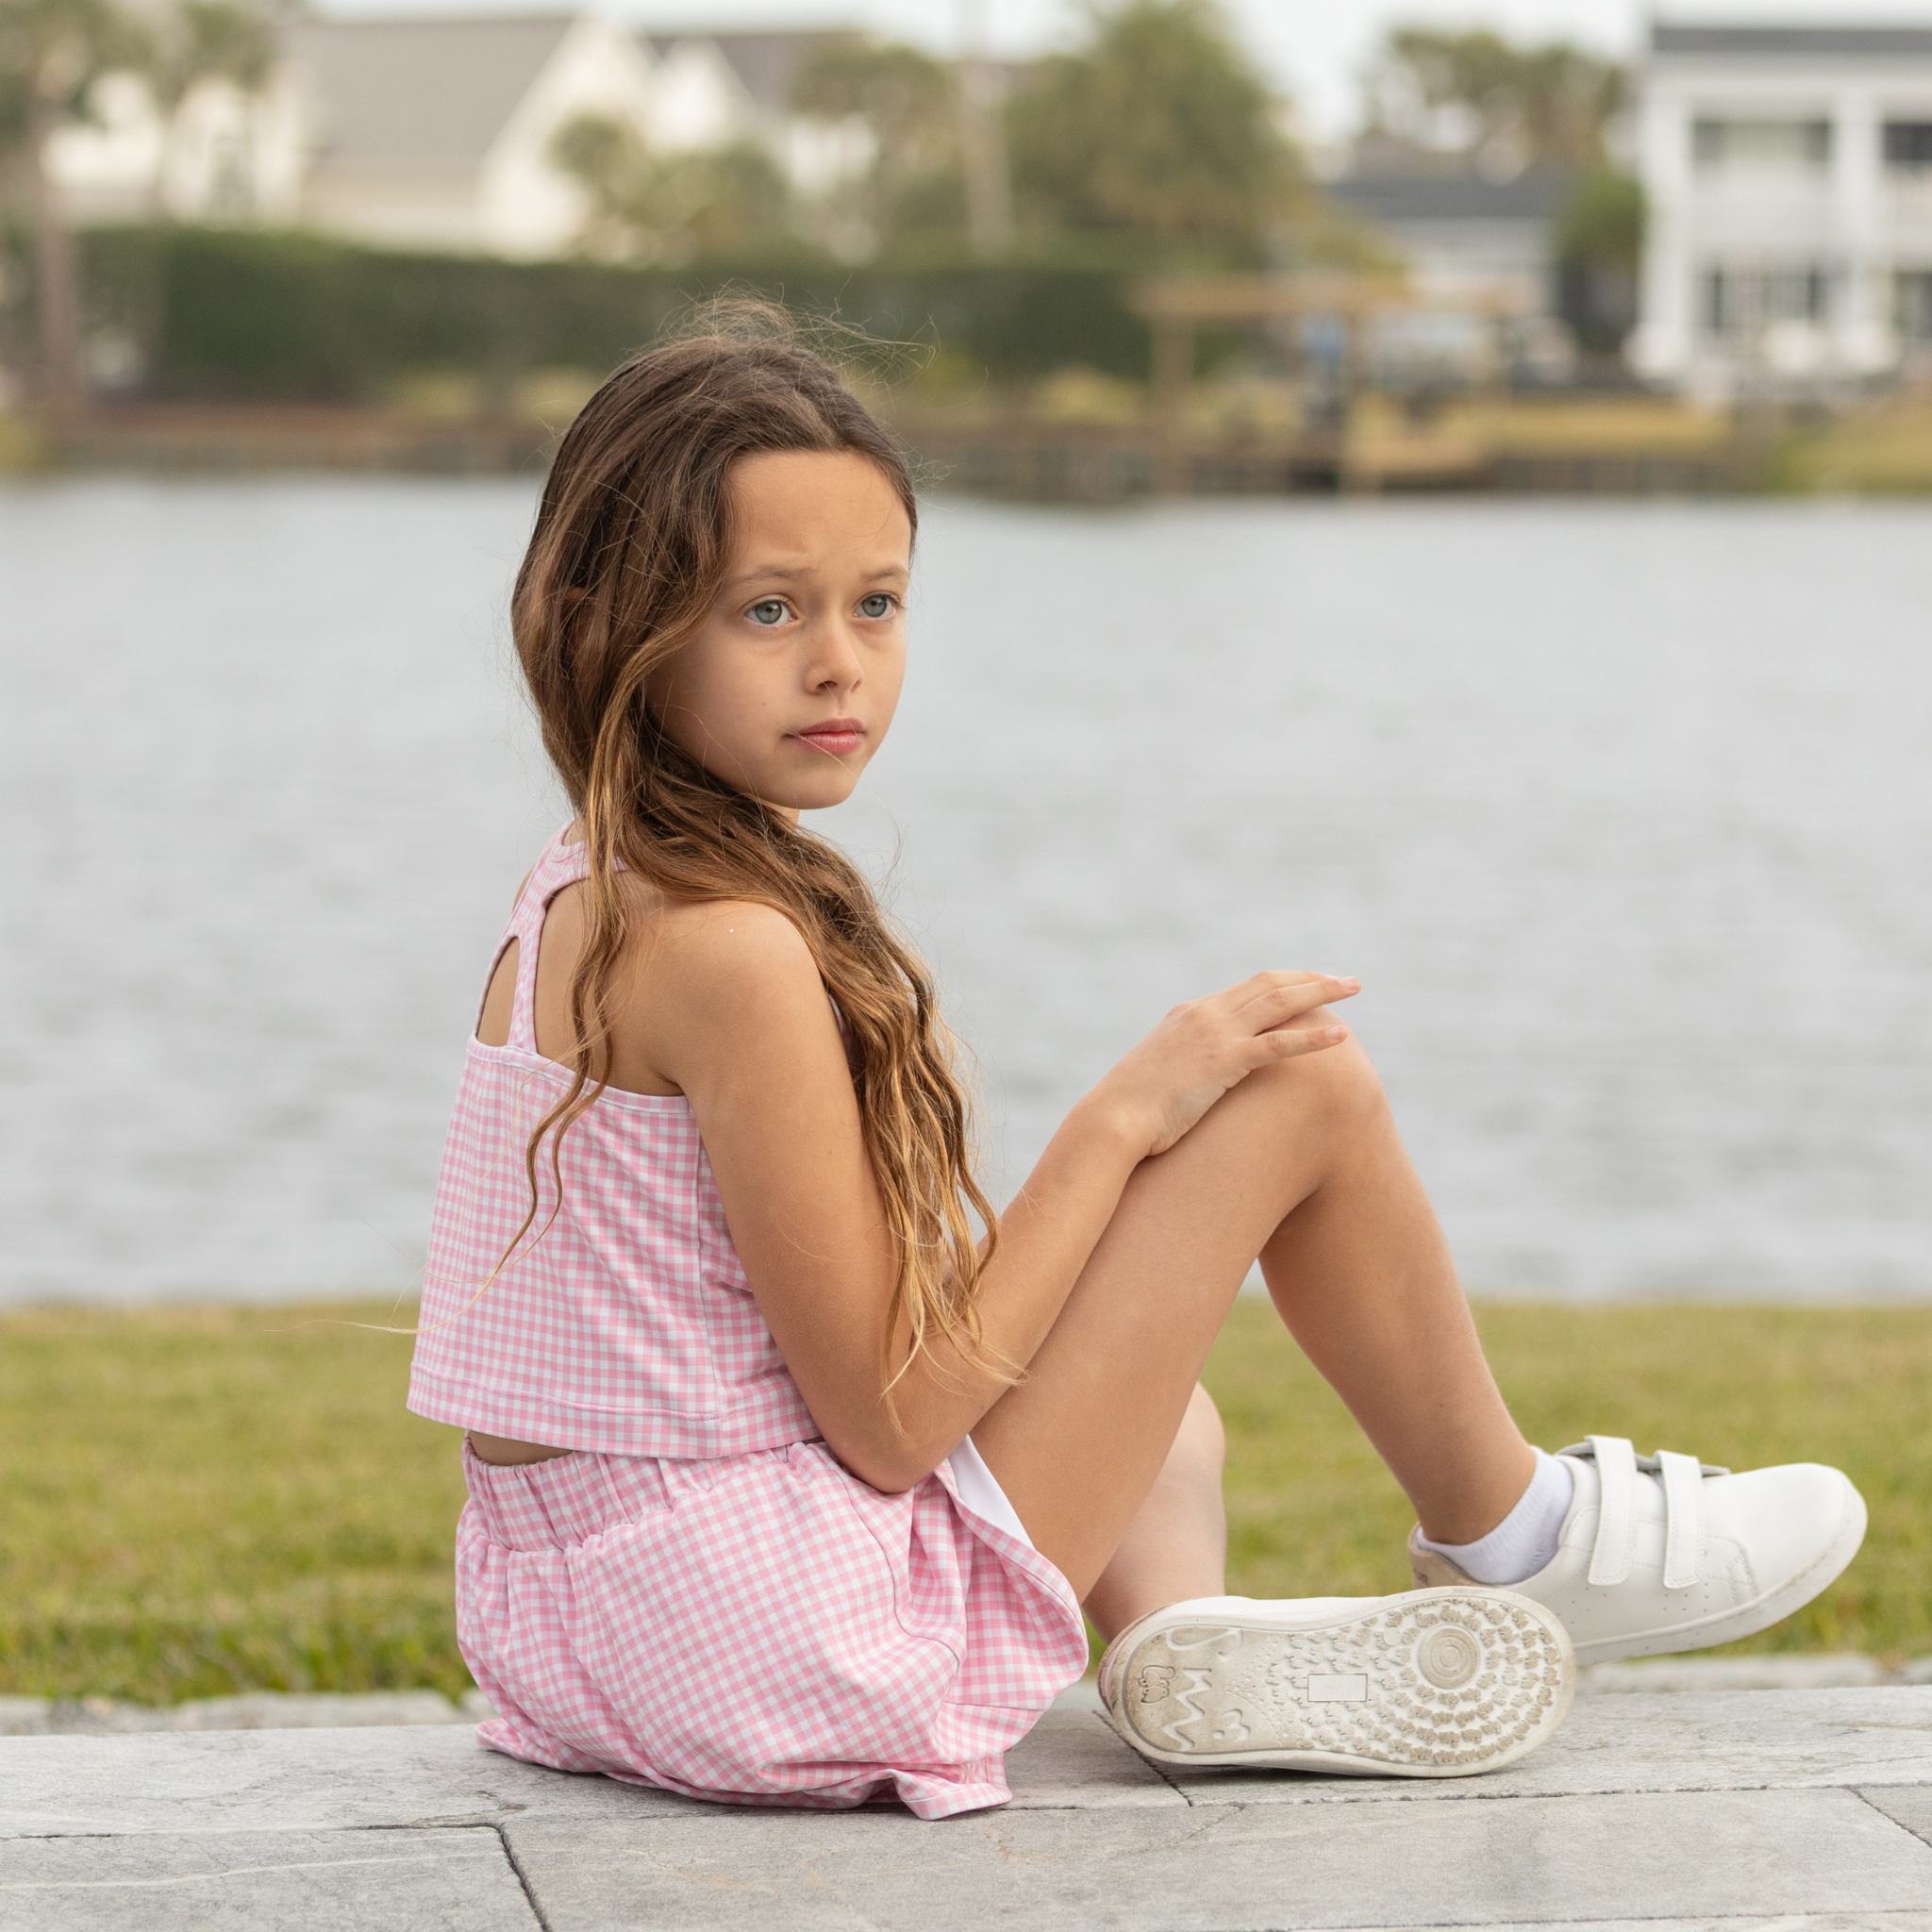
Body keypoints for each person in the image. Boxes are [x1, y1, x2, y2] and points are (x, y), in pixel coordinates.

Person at [407, 310, 1865, 1819]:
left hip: (582, 1638)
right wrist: (1119, 1121)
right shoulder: (732, 950)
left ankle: (1180, 1640)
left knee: (1168, 1415)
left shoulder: (575, 891)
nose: (842, 665)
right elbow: (894, 1424)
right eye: (769, 613)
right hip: (775, 1644)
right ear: (609, 621)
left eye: (880, 604)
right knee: (1299, 1087)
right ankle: (1526, 1532)